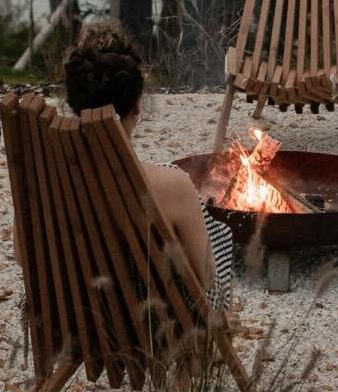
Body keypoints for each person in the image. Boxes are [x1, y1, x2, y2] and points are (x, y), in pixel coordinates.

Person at [55, 22, 235, 306]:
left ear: (74, 103)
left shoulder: (44, 182)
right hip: (151, 330)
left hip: (72, 327)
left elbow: (21, 254)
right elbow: (212, 290)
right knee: (213, 231)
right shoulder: (171, 185)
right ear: (137, 105)